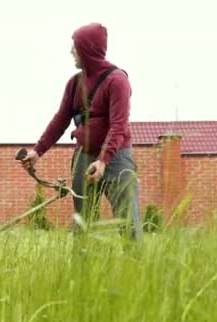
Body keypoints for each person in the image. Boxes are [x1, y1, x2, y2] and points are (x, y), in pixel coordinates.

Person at [20, 23, 142, 240]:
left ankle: (137, 270)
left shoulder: (117, 80)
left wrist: (103, 160)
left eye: (75, 47)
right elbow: (61, 120)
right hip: (84, 157)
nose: (71, 52)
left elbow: (119, 125)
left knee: (128, 224)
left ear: (88, 49)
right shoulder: (74, 84)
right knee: (84, 225)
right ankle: (82, 270)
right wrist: (37, 151)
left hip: (117, 158)